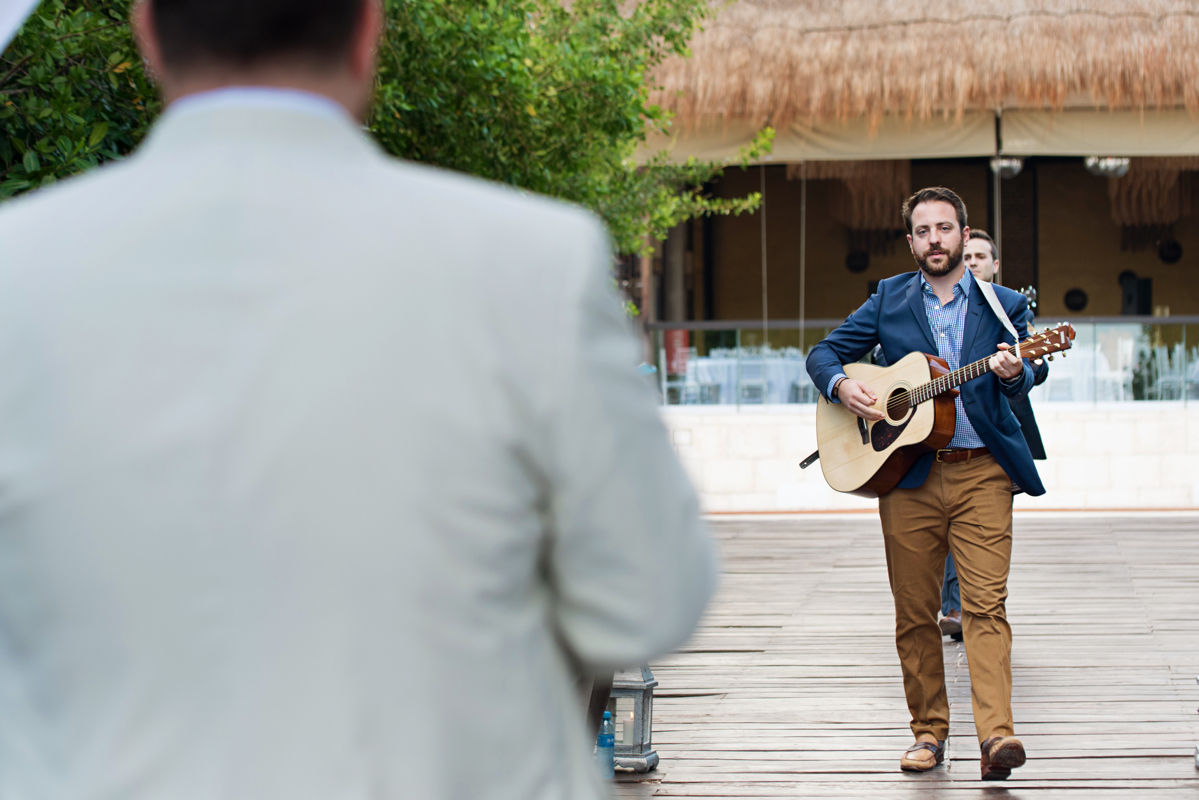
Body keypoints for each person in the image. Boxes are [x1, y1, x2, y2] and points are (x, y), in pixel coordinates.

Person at [0, 2, 717, 798]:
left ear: (145, 32)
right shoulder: (530, 258)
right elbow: (651, 599)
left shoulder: (17, 267)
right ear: (368, 30)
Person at [807, 187, 1044, 781]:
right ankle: (929, 734)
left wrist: (1017, 372)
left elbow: (1030, 373)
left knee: (985, 605)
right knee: (915, 612)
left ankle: (997, 737)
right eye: (923, 230)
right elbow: (824, 353)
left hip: (983, 469)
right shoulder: (888, 298)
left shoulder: (1004, 304)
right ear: (911, 240)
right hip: (906, 473)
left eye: (945, 228)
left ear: (965, 235)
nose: (935, 239)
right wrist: (842, 387)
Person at [938, 231, 1050, 642]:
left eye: (981, 256)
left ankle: (977, 604)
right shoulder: (938, 306)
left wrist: (1018, 370)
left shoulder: (1009, 306)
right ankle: (956, 604)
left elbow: (1037, 364)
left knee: (985, 525)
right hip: (939, 434)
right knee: (948, 525)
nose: (973, 261)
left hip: (998, 434)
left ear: (995, 264)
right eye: (966, 255)